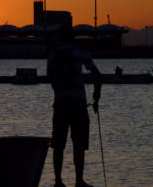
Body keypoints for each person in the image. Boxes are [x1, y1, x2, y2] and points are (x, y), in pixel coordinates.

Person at [47, 25, 102, 187]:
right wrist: (96, 97)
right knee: (78, 143)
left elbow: (50, 77)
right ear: (73, 37)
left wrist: (59, 90)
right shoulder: (80, 51)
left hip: (60, 103)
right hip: (78, 102)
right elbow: (97, 75)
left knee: (58, 144)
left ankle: (58, 181)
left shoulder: (53, 55)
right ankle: (79, 181)